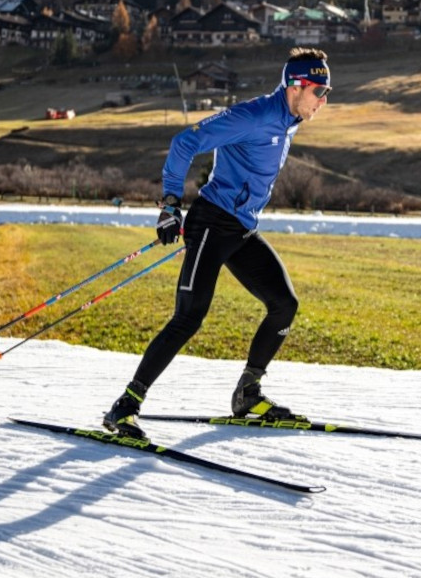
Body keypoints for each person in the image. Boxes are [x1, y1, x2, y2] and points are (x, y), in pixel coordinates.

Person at [103, 48, 331, 438]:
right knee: (188, 317)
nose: (324, 100)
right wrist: (172, 204)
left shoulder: (289, 119)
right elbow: (184, 142)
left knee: (284, 305)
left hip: (241, 228)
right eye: (319, 91)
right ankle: (125, 406)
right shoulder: (255, 115)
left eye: (327, 91)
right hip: (212, 223)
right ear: (295, 87)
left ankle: (247, 393)